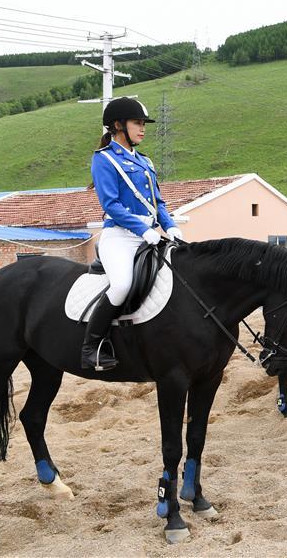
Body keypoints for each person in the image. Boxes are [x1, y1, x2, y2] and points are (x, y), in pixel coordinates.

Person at [83, 97, 183, 371]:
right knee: (122, 285)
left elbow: (157, 203)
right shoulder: (104, 160)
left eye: (143, 124)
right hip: (119, 237)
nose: (143, 129)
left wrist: (170, 226)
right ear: (118, 126)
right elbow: (111, 205)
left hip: (149, 234)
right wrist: (142, 229)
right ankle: (91, 348)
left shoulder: (144, 162)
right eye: (137, 123)